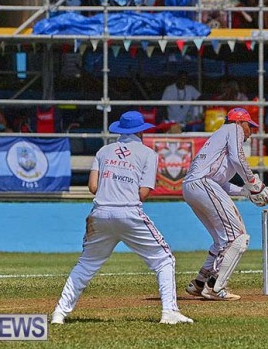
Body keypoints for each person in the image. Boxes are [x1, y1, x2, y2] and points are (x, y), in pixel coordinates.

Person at [50, 111, 193, 325]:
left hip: (100, 213)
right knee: (164, 260)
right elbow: (143, 193)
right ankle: (169, 312)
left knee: (85, 265)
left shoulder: (103, 151)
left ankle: (59, 313)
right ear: (141, 132)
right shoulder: (148, 154)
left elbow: (93, 187)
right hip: (129, 212)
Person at [183, 107, 268, 301]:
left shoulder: (219, 139)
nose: (250, 132)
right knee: (238, 237)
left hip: (192, 187)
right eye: (249, 126)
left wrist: (245, 191)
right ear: (239, 122)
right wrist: (253, 183)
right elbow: (238, 158)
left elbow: (220, 183)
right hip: (203, 184)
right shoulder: (233, 129)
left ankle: (200, 282)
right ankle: (215, 287)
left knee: (222, 240)